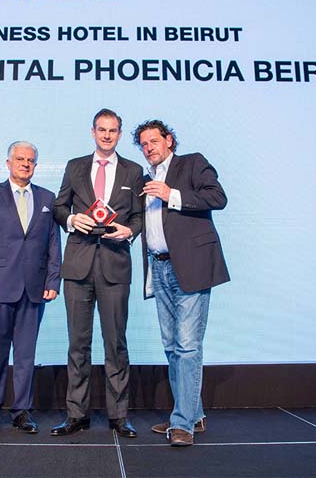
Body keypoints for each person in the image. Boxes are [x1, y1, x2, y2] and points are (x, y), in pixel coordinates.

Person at [132, 120, 230, 447]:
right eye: (144, 144)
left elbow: (218, 197)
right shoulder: (144, 180)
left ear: (169, 140)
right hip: (158, 268)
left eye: (154, 141)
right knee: (173, 346)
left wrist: (171, 194)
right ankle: (192, 414)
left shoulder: (192, 163)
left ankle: (182, 423)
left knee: (188, 346)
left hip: (191, 266)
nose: (149, 147)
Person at [50, 108, 144, 438]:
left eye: (112, 130)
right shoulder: (74, 166)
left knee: (116, 344)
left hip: (115, 265)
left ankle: (119, 416)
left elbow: (139, 217)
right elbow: (59, 207)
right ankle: (76, 414)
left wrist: (130, 231)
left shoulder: (134, 171)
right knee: (78, 344)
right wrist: (71, 219)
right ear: (93, 132)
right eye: (101, 130)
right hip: (78, 266)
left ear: (119, 134)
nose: (106, 135)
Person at [0, 141, 61, 435]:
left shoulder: (47, 198)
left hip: (34, 290)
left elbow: (53, 244)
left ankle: (22, 411)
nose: (25, 164)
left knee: (26, 355)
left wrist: (53, 280)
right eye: (20, 159)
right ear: (8, 163)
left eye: (30, 160)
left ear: (36, 165)